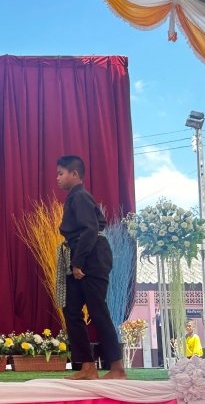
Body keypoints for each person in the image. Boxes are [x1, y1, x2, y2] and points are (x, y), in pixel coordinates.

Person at [56, 155, 126, 380]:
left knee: (97, 310)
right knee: (71, 310)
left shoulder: (80, 196)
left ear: (74, 174)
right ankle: (87, 366)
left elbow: (90, 229)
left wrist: (78, 263)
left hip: (90, 258)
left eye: (61, 173)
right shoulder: (75, 197)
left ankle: (117, 368)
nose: (58, 178)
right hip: (80, 254)